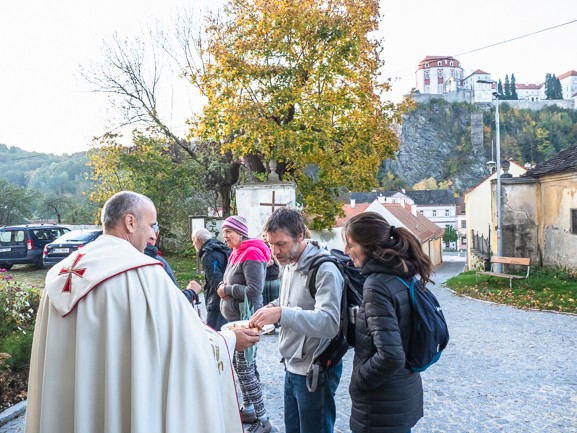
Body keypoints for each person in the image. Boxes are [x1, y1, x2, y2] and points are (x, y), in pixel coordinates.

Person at [25, 191, 260, 433]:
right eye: (151, 225)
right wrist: (231, 339)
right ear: (130, 222)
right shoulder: (144, 274)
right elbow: (185, 342)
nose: (153, 233)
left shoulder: (61, 272)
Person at [249, 208, 345, 433]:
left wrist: (282, 313)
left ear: (300, 236)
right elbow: (289, 301)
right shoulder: (289, 263)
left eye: (280, 244)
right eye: (270, 244)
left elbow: (330, 322)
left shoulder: (324, 270)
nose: (274, 251)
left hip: (315, 370)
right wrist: (271, 308)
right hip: (291, 366)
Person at [342, 211, 433, 433]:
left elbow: (391, 356)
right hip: (403, 391)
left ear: (369, 247)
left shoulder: (377, 285)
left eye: (350, 244)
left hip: (381, 405)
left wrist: (359, 381)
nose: (346, 251)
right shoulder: (402, 273)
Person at [217, 215, 272, 433]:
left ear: (240, 232)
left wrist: (226, 290)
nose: (225, 236)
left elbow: (253, 291)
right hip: (235, 321)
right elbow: (231, 280)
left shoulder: (252, 253)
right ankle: (248, 409)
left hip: (248, 322)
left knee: (246, 370)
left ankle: (263, 419)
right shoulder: (236, 252)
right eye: (223, 233)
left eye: (228, 232)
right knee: (241, 369)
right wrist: (224, 285)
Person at [188, 227, 230, 330]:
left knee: (214, 331)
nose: (194, 245)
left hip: (217, 297)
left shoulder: (208, 254)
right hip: (229, 292)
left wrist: (221, 289)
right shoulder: (222, 248)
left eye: (194, 241)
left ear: (199, 241)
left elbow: (215, 276)